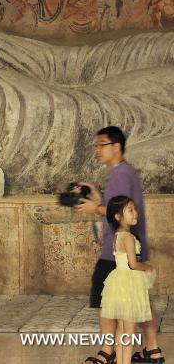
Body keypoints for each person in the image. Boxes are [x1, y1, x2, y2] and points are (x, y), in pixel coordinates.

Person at [77, 126, 165, 364]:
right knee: (138, 303)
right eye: (96, 145)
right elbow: (116, 207)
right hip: (129, 248)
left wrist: (93, 208)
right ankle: (152, 350)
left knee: (105, 300)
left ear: (116, 146)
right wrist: (98, 198)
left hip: (117, 253)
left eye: (101, 144)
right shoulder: (125, 172)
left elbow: (119, 211)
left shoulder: (119, 174)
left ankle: (108, 352)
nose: (97, 150)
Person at [101, 196, 155, 364]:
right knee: (129, 331)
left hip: (118, 281)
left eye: (135, 209)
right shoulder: (129, 238)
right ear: (118, 216)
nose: (135, 213)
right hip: (129, 284)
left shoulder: (117, 236)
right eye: (130, 210)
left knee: (121, 330)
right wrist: (148, 267)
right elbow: (133, 264)